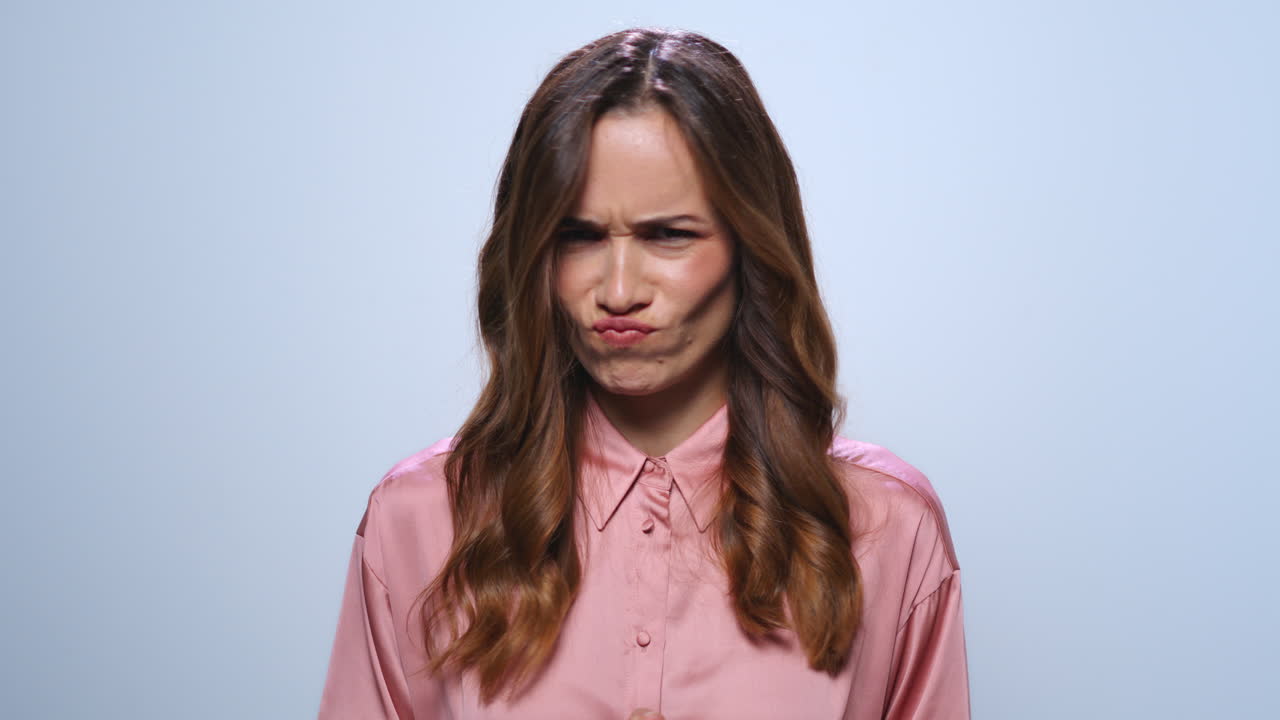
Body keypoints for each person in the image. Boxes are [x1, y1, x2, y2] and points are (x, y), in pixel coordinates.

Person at [318, 26, 971, 720]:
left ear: (751, 247)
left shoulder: (885, 527)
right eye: (580, 236)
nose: (619, 288)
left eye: (668, 235)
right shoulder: (420, 521)